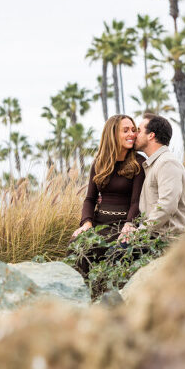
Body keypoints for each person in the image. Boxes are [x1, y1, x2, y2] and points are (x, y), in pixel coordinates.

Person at [71, 115, 145, 276]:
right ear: (112, 134)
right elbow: (90, 199)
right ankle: (79, 294)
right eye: (125, 130)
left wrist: (130, 225)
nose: (132, 134)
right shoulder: (99, 162)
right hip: (99, 224)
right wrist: (86, 223)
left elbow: (136, 201)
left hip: (122, 225)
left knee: (116, 250)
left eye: (133, 130)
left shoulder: (139, 163)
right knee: (76, 244)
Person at [130, 113, 185, 237]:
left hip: (165, 240)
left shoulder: (167, 163)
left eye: (139, 131)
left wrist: (139, 233)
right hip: (152, 237)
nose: (135, 135)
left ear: (151, 135)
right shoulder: (154, 164)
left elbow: (167, 205)